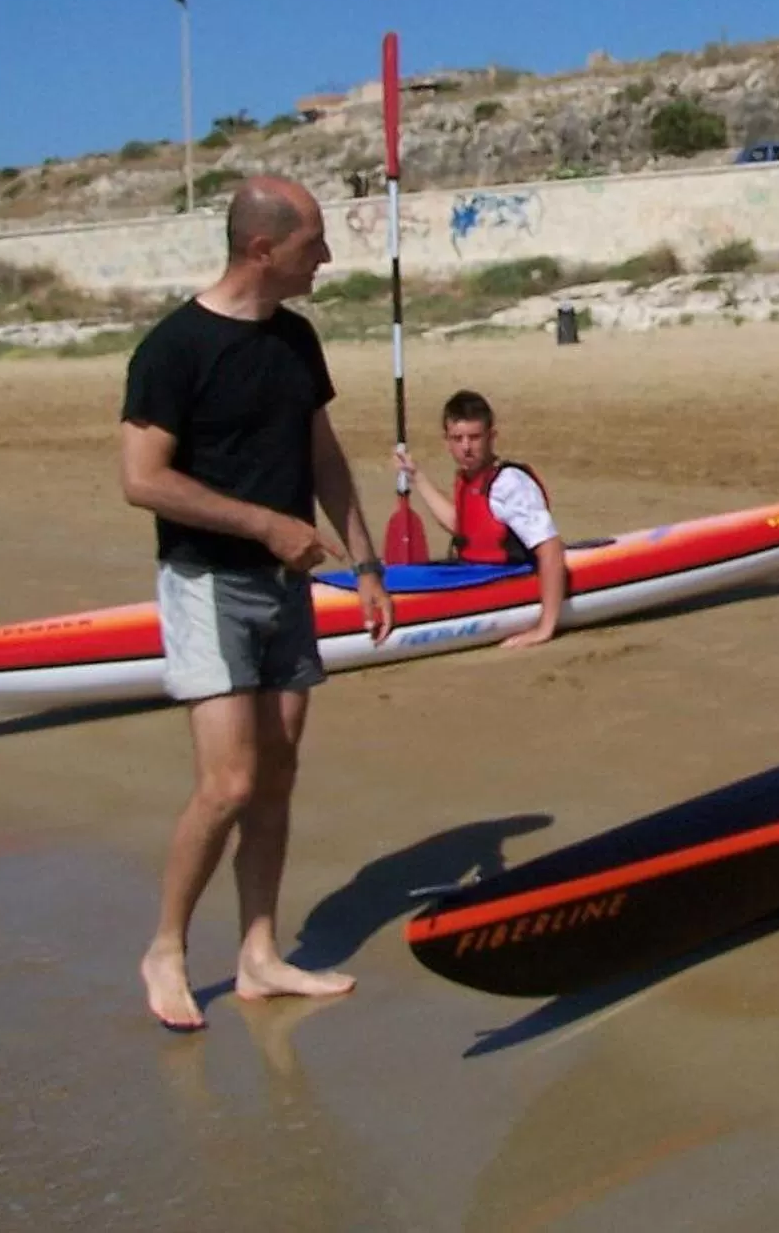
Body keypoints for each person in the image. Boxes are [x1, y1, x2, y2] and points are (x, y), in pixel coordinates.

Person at [120, 174, 396, 1032]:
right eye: (315, 242)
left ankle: (260, 955)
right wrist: (265, 525)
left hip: (289, 588)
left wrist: (367, 564)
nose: (328, 256)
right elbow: (143, 480)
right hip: (208, 582)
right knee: (230, 782)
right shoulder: (173, 349)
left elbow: (322, 454)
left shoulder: (296, 340)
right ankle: (166, 948)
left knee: (276, 775)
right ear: (263, 249)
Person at [397, 389, 567, 648]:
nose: (466, 447)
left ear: (491, 437)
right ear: (447, 441)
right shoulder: (468, 478)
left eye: (474, 437)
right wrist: (417, 476)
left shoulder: (509, 483)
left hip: (508, 577)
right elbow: (461, 526)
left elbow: (551, 549)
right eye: (457, 438)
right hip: (474, 571)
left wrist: (545, 627)